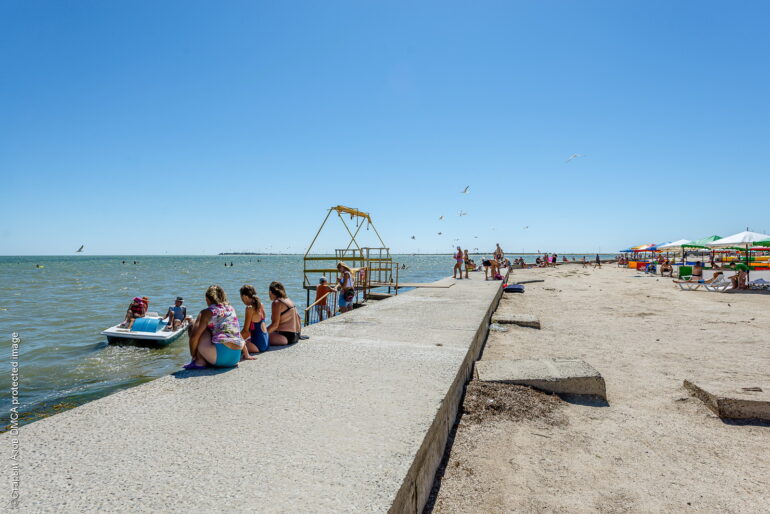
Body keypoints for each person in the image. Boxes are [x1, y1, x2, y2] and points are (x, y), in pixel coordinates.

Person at [184, 285, 250, 370]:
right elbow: (237, 333)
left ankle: (199, 361)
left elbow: (194, 337)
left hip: (219, 358)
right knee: (223, 330)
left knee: (194, 324)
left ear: (207, 299)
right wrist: (246, 353)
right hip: (235, 358)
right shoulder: (231, 309)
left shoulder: (207, 312)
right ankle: (205, 358)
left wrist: (193, 355)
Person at [266, 281, 302, 346]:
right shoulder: (289, 300)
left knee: (256, 337)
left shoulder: (276, 303)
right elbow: (299, 318)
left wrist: (262, 333)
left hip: (284, 337)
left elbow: (275, 325)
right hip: (296, 336)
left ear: (270, 292)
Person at [240, 285, 268, 354]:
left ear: (245, 297)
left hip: (257, 345)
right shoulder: (261, 305)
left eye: (241, 297)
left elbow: (245, 331)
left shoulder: (249, 308)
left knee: (232, 346)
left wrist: (234, 338)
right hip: (266, 343)